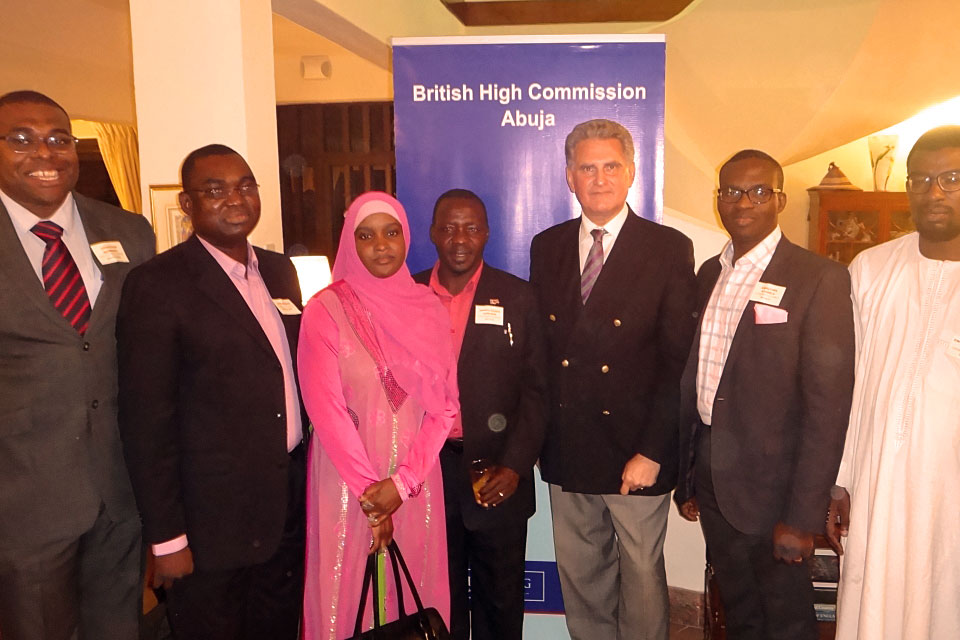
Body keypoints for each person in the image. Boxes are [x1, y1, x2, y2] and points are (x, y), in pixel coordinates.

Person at [116, 144, 306, 639]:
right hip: (208, 529)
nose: (235, 198)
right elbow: (146, 422)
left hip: (284, 510)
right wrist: (167, 538)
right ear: (187, 205)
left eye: (245, 185)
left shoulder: (281, 271)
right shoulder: (157, 284)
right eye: (215, 190)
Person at [674, 149, 855, 640]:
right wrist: (689, 475)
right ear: (718, 201)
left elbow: (827, 408)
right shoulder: (710, 273)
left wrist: (801, 517)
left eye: (758, 191)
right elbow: (699, 377)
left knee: (787, 622)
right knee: (741, 612)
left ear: (780, 199)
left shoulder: (819, 278)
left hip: (777, 492)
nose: (743, 202)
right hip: (715, 477)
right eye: (731, 191)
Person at [528, 118, 697, 640]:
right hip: (569, 442)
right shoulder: (547, 246)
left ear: (630, 174)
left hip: (635, 449)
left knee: (642, 574)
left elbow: (677, 362)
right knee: (582, 577)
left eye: (610, 167)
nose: (598, 178)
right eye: (586, 168)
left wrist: (652, 450)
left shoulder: (667, 248)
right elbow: (542, 353)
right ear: (568, 177)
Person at [0, 90, 155, 640]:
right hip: (22, 505)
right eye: (21, 139)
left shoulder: (132, 233)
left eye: (59, 139)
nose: (45, 152)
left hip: (120, 493)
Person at [299, 191, 459, 639]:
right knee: (347, 597)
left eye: (391, 233)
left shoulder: (427, 308)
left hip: (416, 484)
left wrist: (403, 483)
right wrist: (373, 497)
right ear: (350, 243)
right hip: (347, 485)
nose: (382, 245)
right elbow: (325, 410)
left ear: (406, 238)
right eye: (366, 236)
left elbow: (444, 407)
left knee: (412, 597)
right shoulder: (325, 310)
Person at [827, 126, 960, 639]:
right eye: (921, 179)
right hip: (876, 481)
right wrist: (840, 478)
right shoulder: (871, 269)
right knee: (874, 604)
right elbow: (848, 384)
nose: (934, 192)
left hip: (948, 497)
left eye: (951, 178)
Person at [413, 189, 547, 640]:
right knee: (438, 599)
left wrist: (514, 466)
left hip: (496, 472)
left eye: (471, 227)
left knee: (501, 600)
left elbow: (536, 393)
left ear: (487, 233)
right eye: (448, 227)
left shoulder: (518, 296)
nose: (459, 238)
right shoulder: (405, 296)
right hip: (427, 475)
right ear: (433, 232)